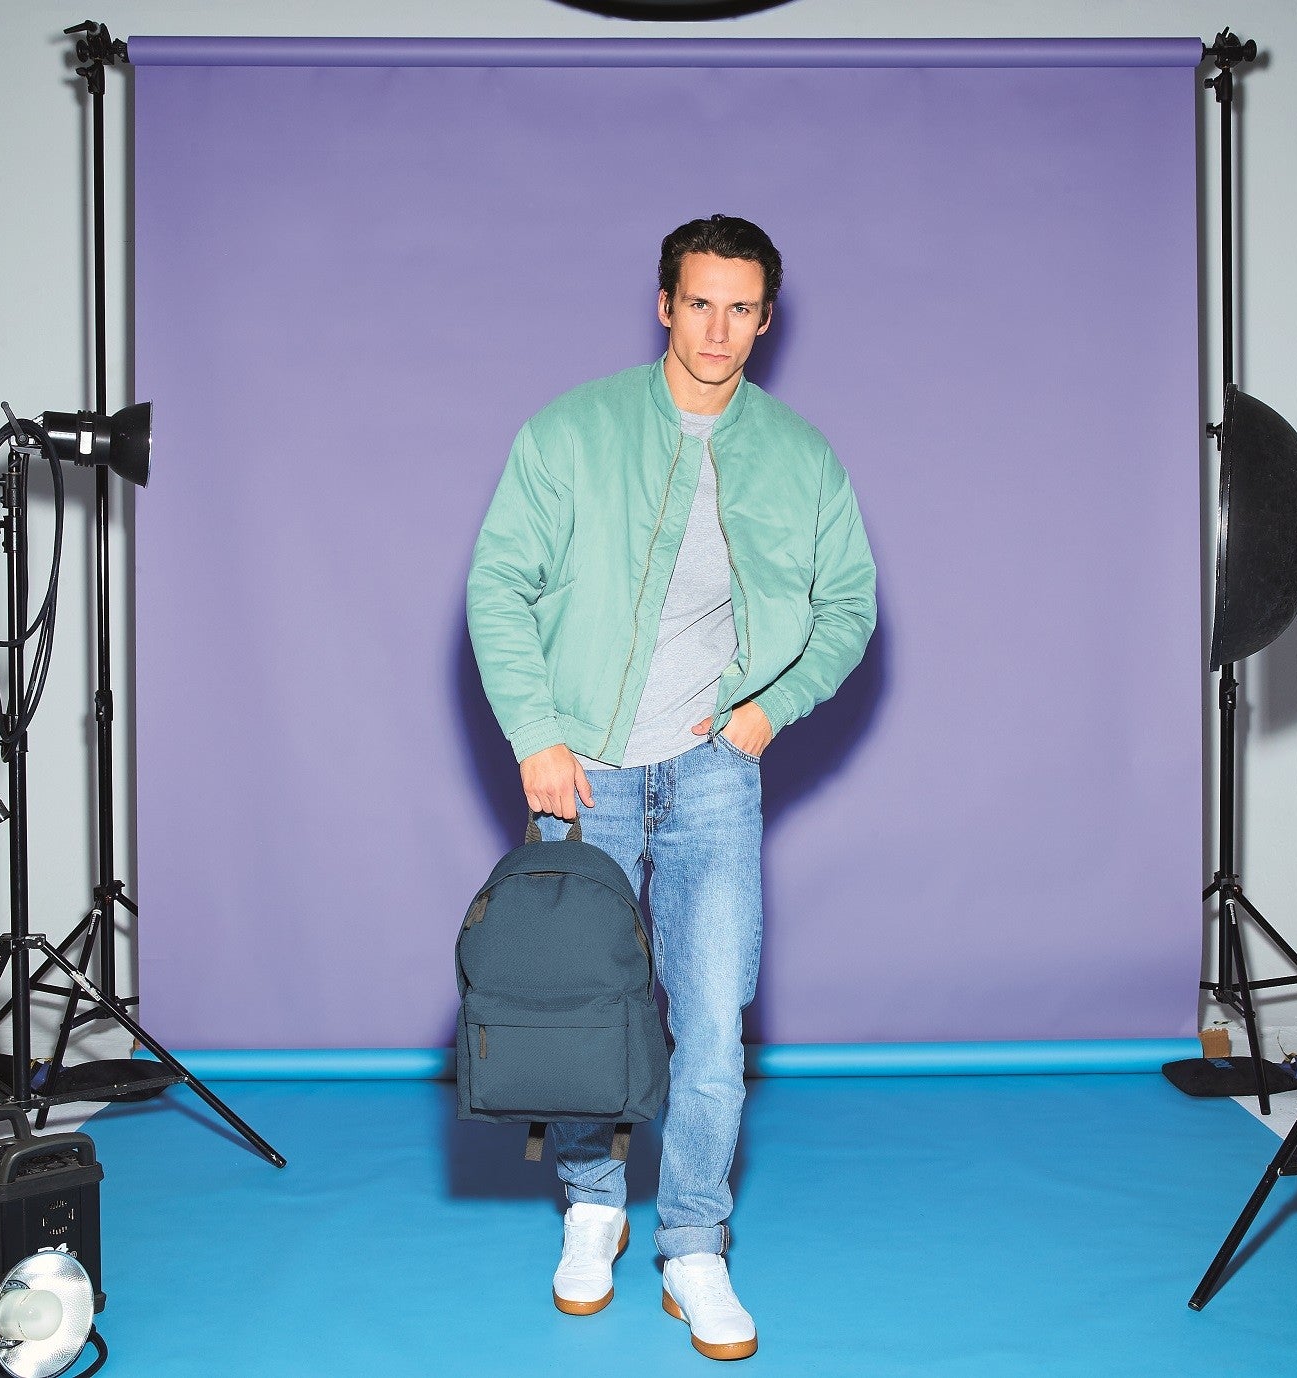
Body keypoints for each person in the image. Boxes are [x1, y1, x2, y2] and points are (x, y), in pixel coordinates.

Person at [466, 214, 876, 1361]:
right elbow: (498, 582)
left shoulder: (801, 456)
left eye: (742, 308)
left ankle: (694, 1243)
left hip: (711, 777)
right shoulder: (570, 432)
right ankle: (592, 1206)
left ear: (767, 319)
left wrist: (769, 712)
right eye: (700, 302)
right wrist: (536, 734)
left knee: (711, 1023)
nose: (718, 329)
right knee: (577, 1009)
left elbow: (849, 604)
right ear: (664, 304)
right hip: (582, 772)